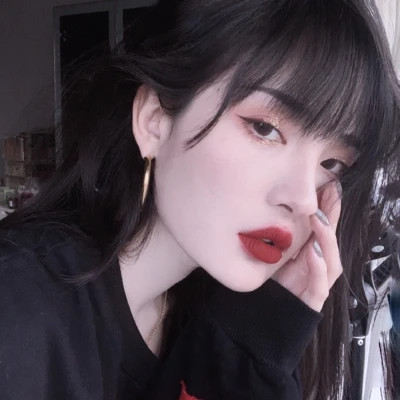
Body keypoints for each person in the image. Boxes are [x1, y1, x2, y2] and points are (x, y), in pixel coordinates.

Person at [0, 0, 399, 399]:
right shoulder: (18, 311)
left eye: (331, 163)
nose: (305, 200)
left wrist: (254, 349)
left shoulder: (216, 317)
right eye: (264, 128)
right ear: (154, 121)